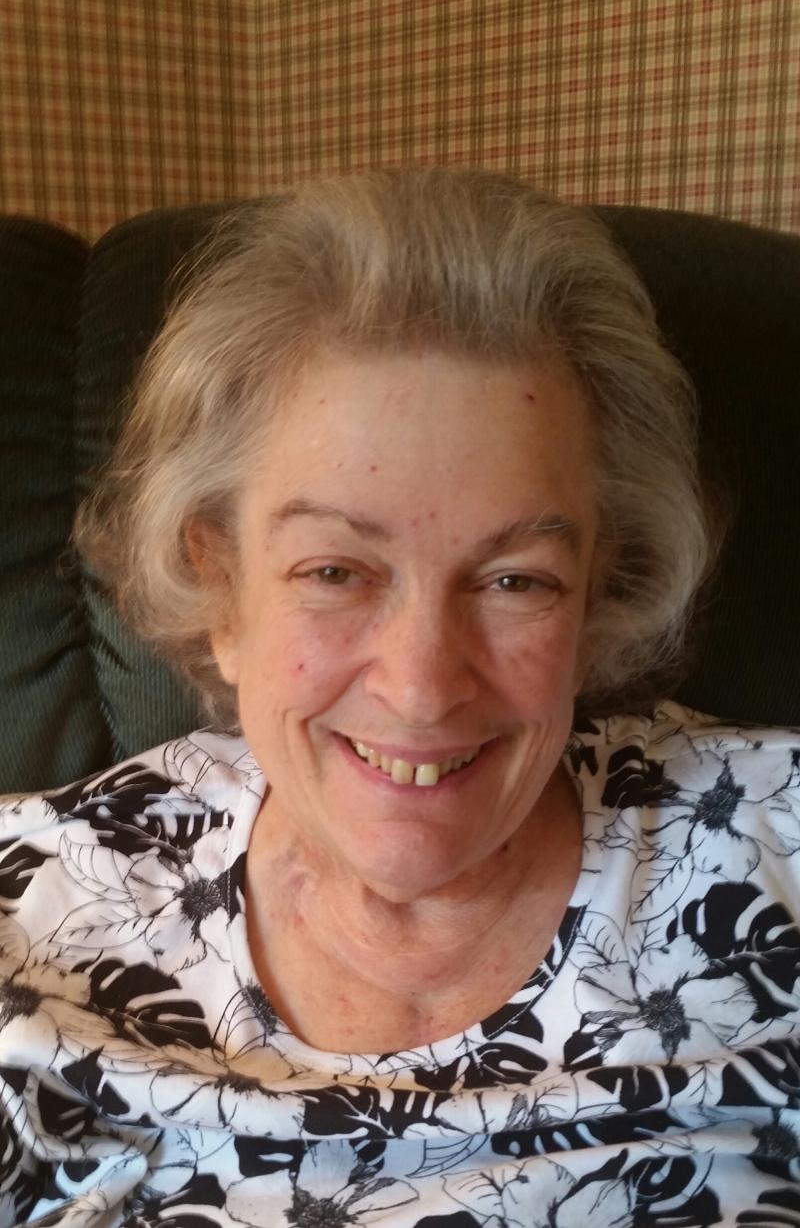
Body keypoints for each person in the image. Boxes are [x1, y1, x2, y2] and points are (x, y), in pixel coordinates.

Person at [0, 167, 798, 1228]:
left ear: (598, 590)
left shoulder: (773, 847)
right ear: (222, 589)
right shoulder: (34, 908)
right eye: (335, 571)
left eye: (515, 580)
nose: (421, 688)